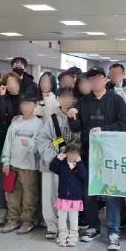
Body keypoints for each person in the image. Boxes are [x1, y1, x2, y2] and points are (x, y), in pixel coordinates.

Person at [68, 66, 126, 251]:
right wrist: (71, 117)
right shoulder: (83, 102)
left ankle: (113, 231)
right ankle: (93, 226)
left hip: (111, 155)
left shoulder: (116, 100)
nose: (95, 82)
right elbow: (76, 128)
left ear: (105, 79)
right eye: (91, 79)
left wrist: (103, 130)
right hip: (89, 154)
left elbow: (123, 125)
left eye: (98, 78)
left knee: (111, 193)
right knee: (90, 192)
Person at [36, 87, 80, 240]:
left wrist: (71, 157)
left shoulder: (77, 117)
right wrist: (55, 156)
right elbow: (43, 140)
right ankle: (52, 226)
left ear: (74, 99)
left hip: (70, 165)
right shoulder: (52, 118)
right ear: (58, 99)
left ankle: (66, 226)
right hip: (52, 163)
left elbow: (80, 140)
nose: (66, 100)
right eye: (63, 97)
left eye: (69, 97)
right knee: (49, 196)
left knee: (67, 196)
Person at [1, 89, 43, 235]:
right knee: (11, 193)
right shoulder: (15, 123)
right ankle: (13, 219)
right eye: (22, 104)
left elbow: (42, 146)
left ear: (35, 105)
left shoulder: (39, 124)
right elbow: (7, 142)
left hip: (30, 167)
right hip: (13, 165)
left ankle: (27, 221)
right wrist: (6, 161)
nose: (24, 106)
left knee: (29, 195)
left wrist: (30, 145)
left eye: (28, 103)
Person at [0, 71, 22, 223]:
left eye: (14, 82)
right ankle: (2, 208)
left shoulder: (25, 99)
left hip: (22, 146)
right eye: (8, 83)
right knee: (3, 177)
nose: (12, 86)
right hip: (4, 143)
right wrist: (1, 96)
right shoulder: (2, 98)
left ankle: (16, 211)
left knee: (19, 180)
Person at [49, 144, 87, 247]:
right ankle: (62, 235)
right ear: (66, 154)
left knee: (74, 218)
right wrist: (57, 159)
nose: (73, 155)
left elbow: (84, 175)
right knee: (62, 218)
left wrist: (79, 163)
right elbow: (52, 167)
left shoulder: (79, 165)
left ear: (79, 155)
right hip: (63, 197)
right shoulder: (62, 165)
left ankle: (73, 236)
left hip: (75, 198)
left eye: (75, 153)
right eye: (70, 153)